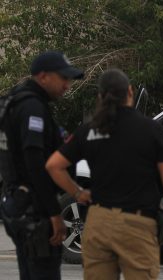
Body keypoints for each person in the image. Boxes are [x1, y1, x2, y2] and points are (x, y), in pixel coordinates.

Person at [46, 68, 163, 280]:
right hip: (138, 224)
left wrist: (78, 193)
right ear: (130, 91)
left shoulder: (89, 130)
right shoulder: (151, 129)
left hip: (99, 221)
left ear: (101, 97)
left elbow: (54, 166)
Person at [0, 51, 84, 279]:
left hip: (19, 203)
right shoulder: (32, 108)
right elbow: (35, 163)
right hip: (34, 211)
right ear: (43, 76)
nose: (67, 85)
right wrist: (54, 213)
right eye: (63, 78)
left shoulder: (17, 100)